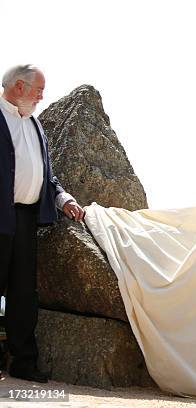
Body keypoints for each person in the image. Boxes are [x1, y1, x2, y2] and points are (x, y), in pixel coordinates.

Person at [0, 64, 85, 383]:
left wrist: (63, 198)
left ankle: (23, 362)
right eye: (38, 89)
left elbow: (46, 173)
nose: (41, 96)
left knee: (24, 293)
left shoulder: (34, 123)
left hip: (25, 218)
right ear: (18, 87)